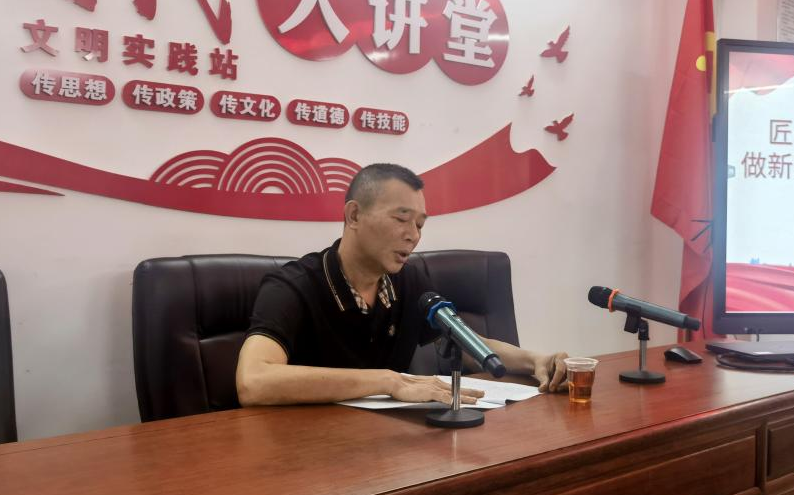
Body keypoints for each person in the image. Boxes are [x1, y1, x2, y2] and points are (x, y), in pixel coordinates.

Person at [236, 163, 570, 407]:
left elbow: (466, 345)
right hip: (302, 452)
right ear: (354, 216)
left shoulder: (408, 280)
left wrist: (535, 361)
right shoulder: (294, 286)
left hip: (385, 448)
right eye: (401, 219)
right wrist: (388, 381)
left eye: (420, 225)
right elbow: (253, 381)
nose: (413, 235)